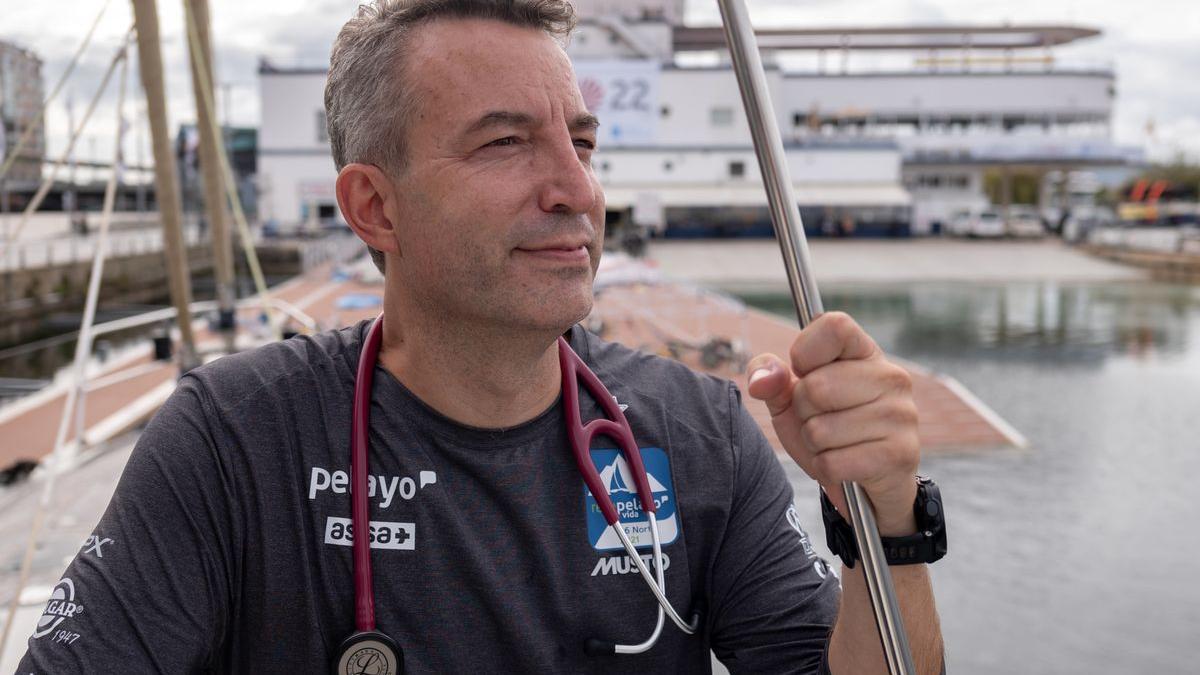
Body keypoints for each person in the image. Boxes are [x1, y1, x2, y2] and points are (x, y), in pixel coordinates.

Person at [19, 1, 944, 672]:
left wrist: (889, 523)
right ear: (374, 206)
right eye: (506, 143)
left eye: (580, 142)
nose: (576, 190)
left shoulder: (697, 435)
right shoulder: (234, 441)